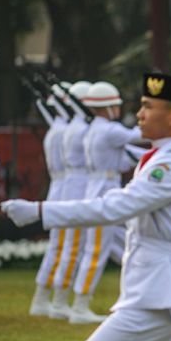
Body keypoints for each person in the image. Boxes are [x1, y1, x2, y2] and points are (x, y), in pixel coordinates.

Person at [1, 72, 171, 341]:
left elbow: (115, 208)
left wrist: (40, 211)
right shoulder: (160, 159)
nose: (138, 114)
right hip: (156, 293)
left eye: (147, 106)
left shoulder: (170, 164)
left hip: (155, 297)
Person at [68, 81, 144, 324]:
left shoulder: (95, 130)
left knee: (117, 243)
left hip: (99, 188)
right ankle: (80, 306)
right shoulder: (110, 130)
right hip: (105, 191)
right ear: (108, 107)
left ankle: (132, 296)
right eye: (116, 105)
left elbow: (125, 156)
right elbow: (141, 136)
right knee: (96, 250)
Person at [47, 81, 93, 319]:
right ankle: (60, 300)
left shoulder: (64, 128)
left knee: (65, 246)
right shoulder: (81, 129)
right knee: (72, 247)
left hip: (65, 185)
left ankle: (54, 298)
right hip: (78, 186)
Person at [29, 82, 73, 317]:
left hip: (59, 187)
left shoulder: (57, 128)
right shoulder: (66, 129)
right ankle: (55, 299)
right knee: (67, 248)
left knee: (58, 247)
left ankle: (43, 298)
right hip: (68, 188)